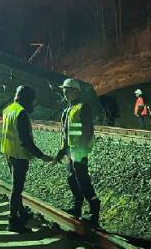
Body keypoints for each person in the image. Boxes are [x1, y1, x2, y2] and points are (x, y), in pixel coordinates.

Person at [0, 85, 53, 233]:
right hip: (19, 155)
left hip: (9, 152)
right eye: (31, 100)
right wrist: (41, 155)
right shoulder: (21, 113)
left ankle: (22, 213)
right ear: (26, 98)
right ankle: (12, 221)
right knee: (17, 188)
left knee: (16, 185)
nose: (32, 103)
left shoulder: (8, 109)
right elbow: (25, 140)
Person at [55, 78, 100, 227]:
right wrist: (62, 151)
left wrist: (81, 150)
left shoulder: (83, 107)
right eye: (64, 90)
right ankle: (77, 207)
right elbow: (65, 133)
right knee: (71, 178)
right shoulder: (67, 110)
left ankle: (94, 212)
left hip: (79, 151)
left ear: (75, 91)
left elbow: (88, 131)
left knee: (82, 179)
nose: (64, 93)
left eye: (67, 90)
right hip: (69, 151)